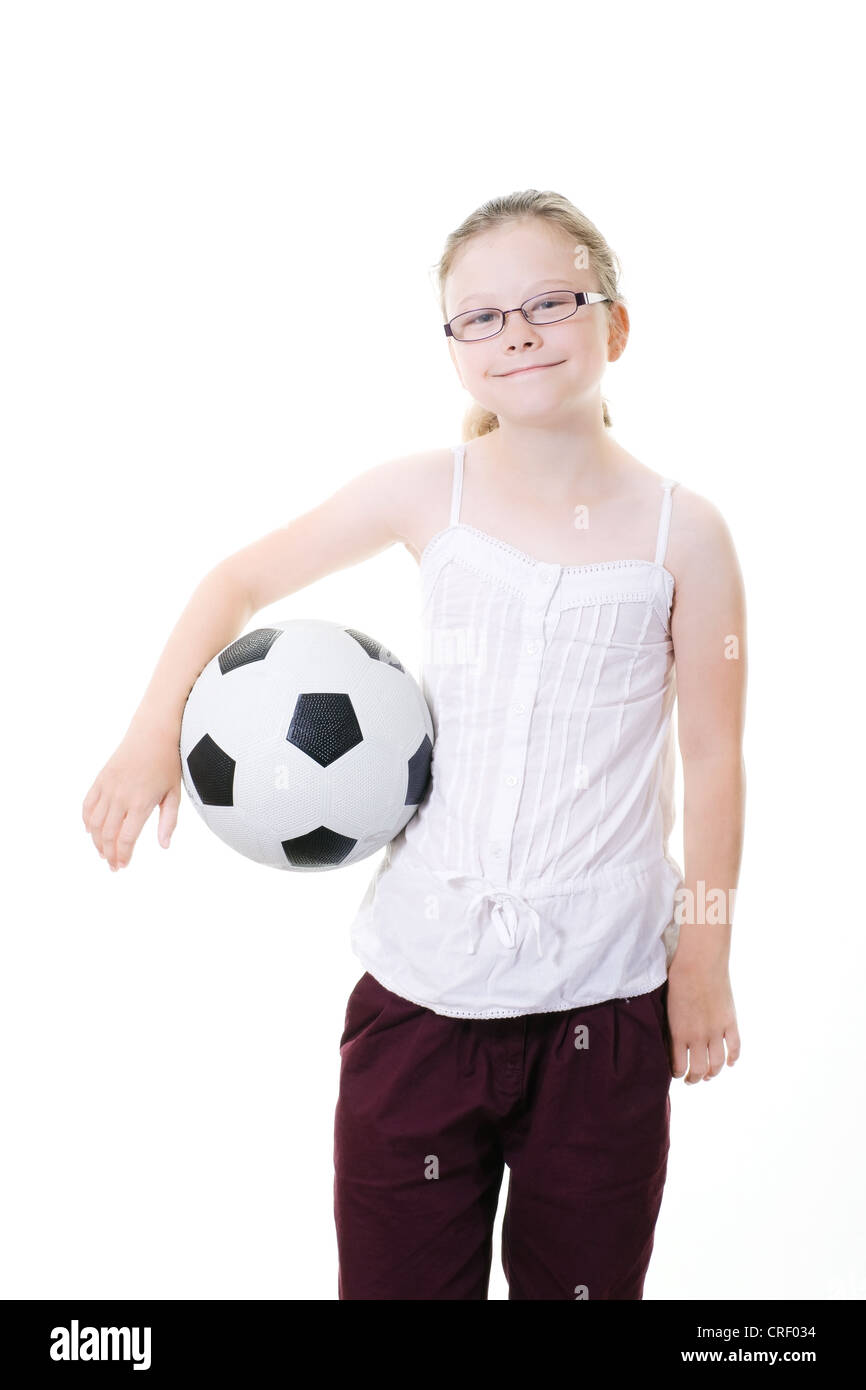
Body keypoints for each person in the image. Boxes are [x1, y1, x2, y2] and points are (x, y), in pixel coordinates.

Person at [82, 188, 745, 1301]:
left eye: (548, 301)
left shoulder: (687, 532)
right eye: (479, 317)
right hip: (423, 993)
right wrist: (152, 732)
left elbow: (716, 757)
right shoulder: (422, 492)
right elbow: (238, 577)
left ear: (613, 326)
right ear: (451, 350)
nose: (516, 331)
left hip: (608, 997)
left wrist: (704, 960)